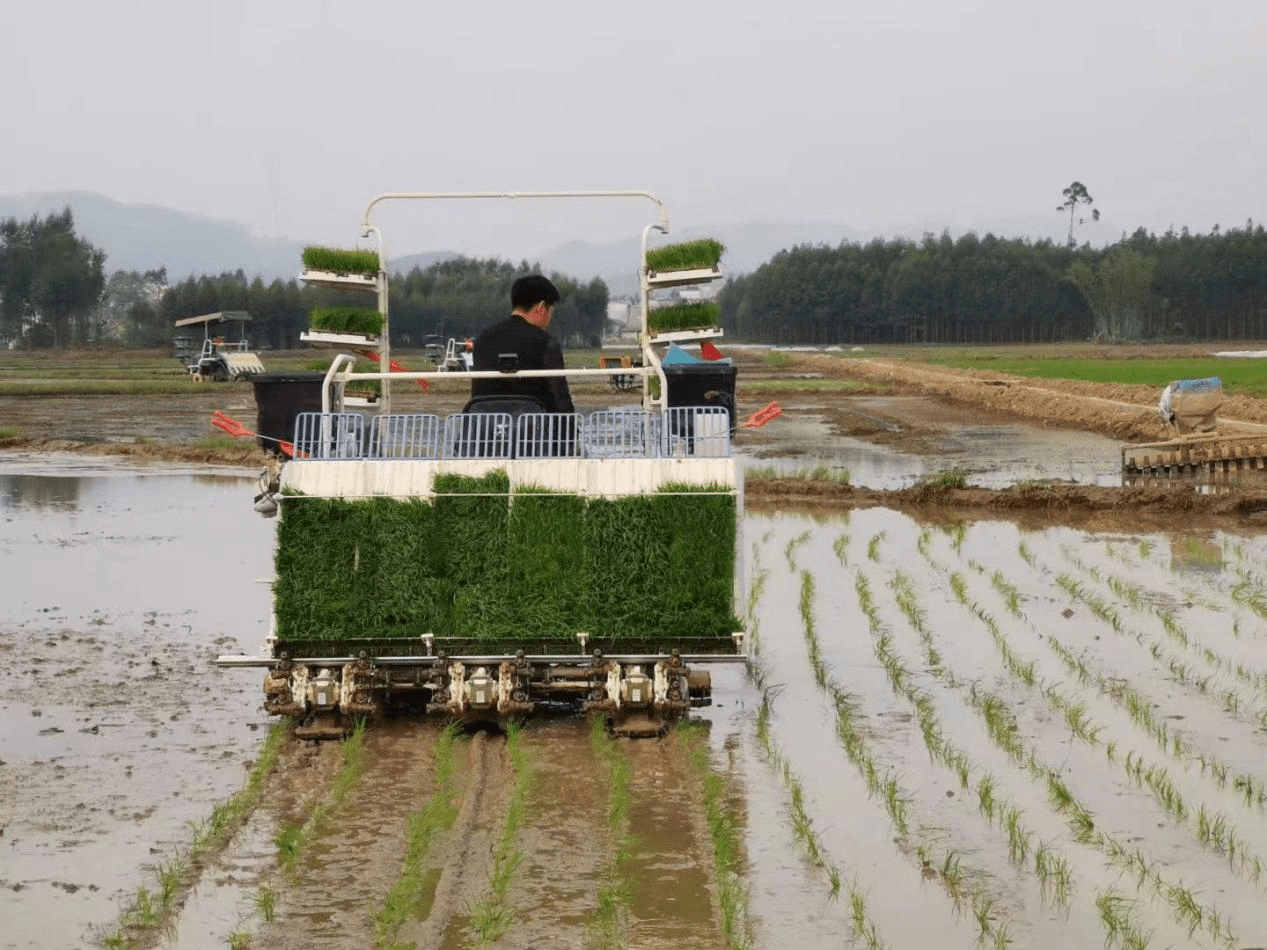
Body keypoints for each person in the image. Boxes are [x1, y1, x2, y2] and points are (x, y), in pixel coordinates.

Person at [470, 274, 575, 414]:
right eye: (550, 312)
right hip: (534, 431)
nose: (550, 319)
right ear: (542, 306)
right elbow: (559, 397)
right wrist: (571, 431)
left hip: (486, 430)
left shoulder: (482, 340)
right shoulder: (545, 343)